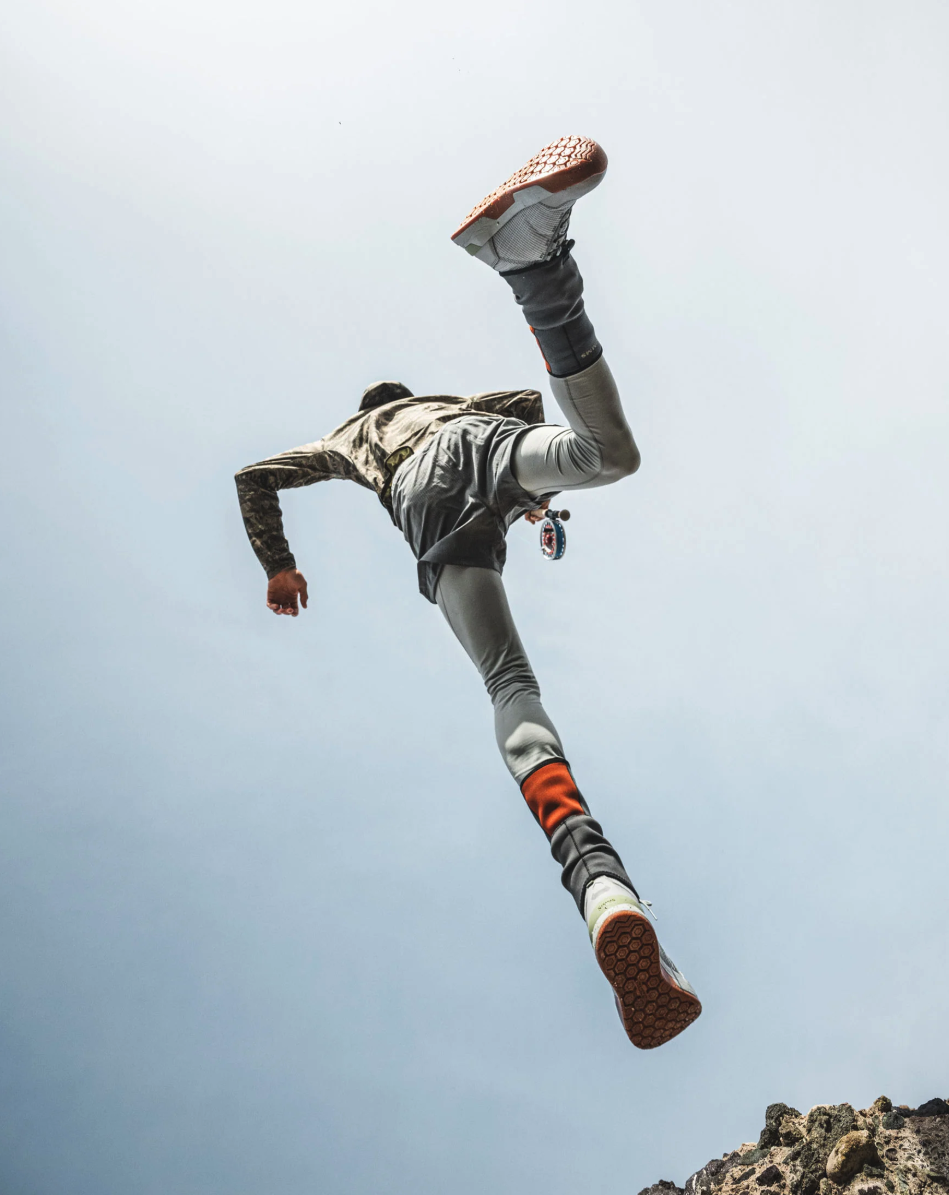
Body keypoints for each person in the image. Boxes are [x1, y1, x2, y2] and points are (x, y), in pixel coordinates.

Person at [235, 136, 701, 1049]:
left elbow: (254, 473)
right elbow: (528, 410)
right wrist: (533, 495)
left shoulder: (347, 438)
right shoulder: (455, 404)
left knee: (509, 689)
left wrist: (277, 566)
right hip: (474, 453)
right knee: (610, 454)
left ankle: (602, 891)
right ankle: (532, 264)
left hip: (425, 515)